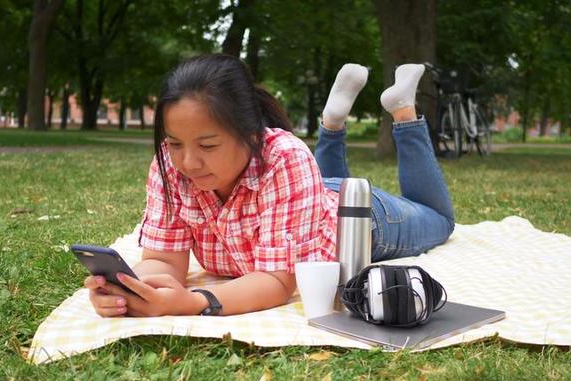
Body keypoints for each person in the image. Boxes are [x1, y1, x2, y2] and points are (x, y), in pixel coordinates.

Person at [83, 54, 455, 318]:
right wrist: (135, 291)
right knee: (309, 176)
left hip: (361, 216)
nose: (187, 162)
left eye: (208, 145)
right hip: (303, 199)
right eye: (175, 143)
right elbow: (163, 261)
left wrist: (194, 301)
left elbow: (277, 282)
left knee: (439, 219)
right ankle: (332, 122)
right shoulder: (170, 164)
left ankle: (403, 111)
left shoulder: (286, 158)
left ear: (251, 135)